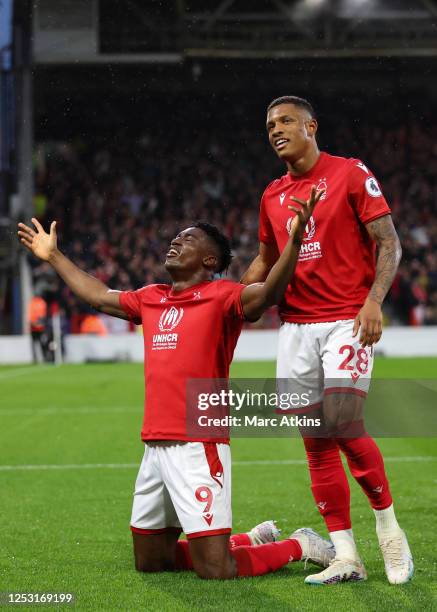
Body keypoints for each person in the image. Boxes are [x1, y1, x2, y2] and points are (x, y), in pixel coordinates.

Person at [18, 204, 335, 580]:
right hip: (155, 446)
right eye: (175, 237)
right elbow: (100, 296)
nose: (175, 242)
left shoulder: (224, 297)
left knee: (217, 570)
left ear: (209, 258)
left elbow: (268, 293)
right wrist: (53, 255)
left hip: (197, 445)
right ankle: (245, 539)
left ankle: (300, 544)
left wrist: (294, 244)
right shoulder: (151, 297)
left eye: (187, 239)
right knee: (151, 561)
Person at [241, 95, 412, 585]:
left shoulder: (350, 173)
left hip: (346, 320)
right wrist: (230, 299)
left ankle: (389, 529)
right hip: (295, 327)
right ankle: (345, 555)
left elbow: (389, 242)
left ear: (311, 126)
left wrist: (374, 300)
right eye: (270, 123)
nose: (276, 129)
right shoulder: (271, 194)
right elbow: (265, 261)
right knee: (316, 443)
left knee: (342, 421)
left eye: (287, 121)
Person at [27, 293, 48, 363]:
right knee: (37, 343)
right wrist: (35, 323)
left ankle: (43, 357)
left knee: (40, 343)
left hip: (39, 327)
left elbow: (41, 314)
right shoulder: (40, 302)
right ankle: (37, 358)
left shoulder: (34, 302)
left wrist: (35, 322)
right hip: (36, 327)